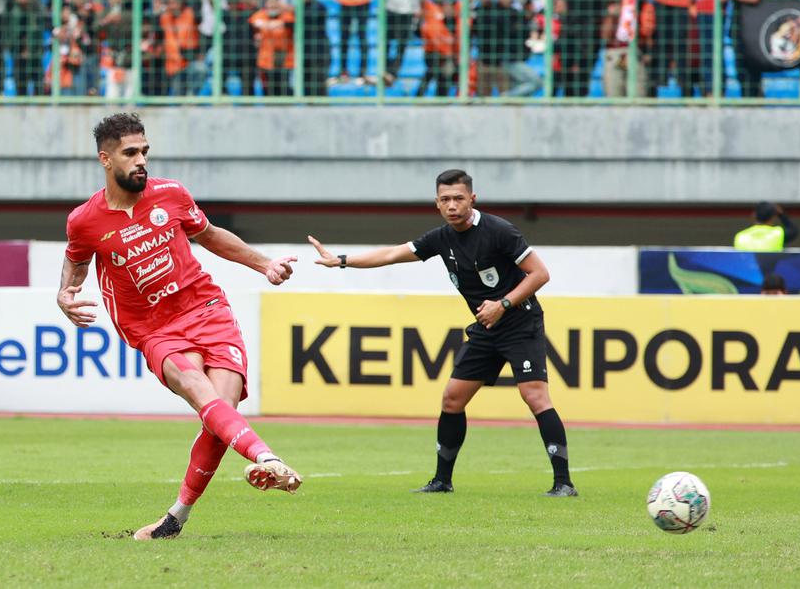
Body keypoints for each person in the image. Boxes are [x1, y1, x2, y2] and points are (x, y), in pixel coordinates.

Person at [59, 113, 302, 541]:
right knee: (198, 389)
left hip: (207, 310)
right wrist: (66, 294)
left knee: (219, 415)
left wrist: (265, 264)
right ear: (105, 158)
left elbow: (209, 235)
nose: (140, 161)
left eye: (144, 152)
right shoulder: (84, 220)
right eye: (130, 153)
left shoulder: (171, 194)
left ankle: (175, 519)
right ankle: (268, 457)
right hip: (155, 329)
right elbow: (75, 262)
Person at [307, 169, 576, 498]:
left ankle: (564, 483)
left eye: (458, 198)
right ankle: (442, 481)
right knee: (452, 399)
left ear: (472, 199)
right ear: (436, 203)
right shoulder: (441, 238)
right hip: (487, 328)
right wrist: (342, 260)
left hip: (520, 323)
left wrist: (502, 304)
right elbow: (392, 254)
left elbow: (539, 273)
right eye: (445, 199)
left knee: (534, 396)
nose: (452, 205)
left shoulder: (499, 230)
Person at [734, 202, 799, 252]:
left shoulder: (740, 236)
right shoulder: (778, 233)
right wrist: (781, 214)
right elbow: (793, 230)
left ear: (754, 216)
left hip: (746, 269)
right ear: (772, 218)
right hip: (770, 269)